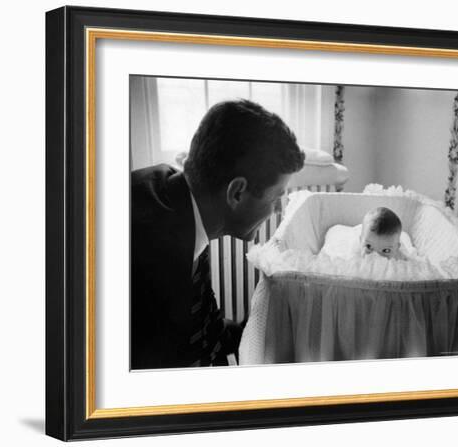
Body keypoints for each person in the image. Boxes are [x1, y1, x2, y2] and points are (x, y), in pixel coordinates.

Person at [131, 99, 305, 369]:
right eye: (277, 197)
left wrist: (262, 324)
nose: (279, 209)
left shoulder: (190, 205)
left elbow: (202, 329)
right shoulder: (150, 248)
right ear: (237, 192)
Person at [321, 207, 412, 261]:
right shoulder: (356, 257)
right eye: (368, 247)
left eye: (386, 251)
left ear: (396, 248)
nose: (376, 256)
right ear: (361, 241)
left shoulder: (400, 259)